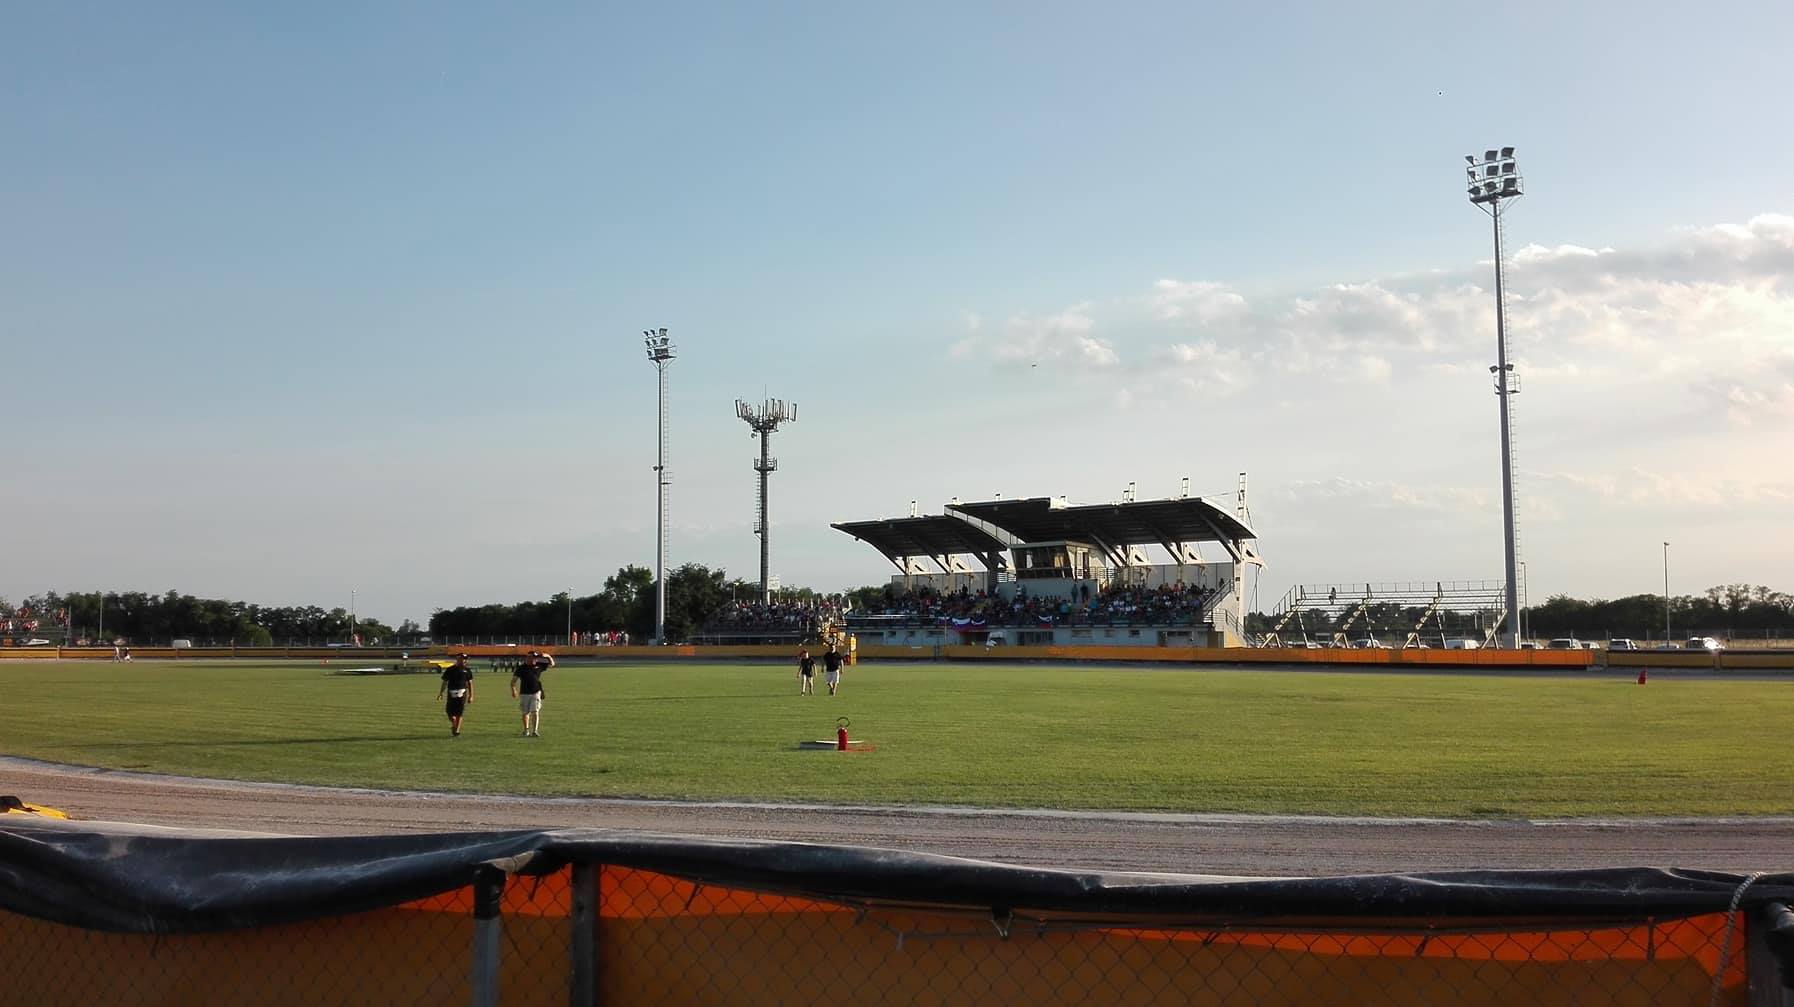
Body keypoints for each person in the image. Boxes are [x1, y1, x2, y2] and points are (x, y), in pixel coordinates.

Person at [510, 650, 554, 737]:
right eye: (529, 657)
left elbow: (552, 664)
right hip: (524, 693)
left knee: (535, 711)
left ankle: (535, 731)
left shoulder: (539, 665)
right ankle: (526, 730)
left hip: (536, 692)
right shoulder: (521, 668)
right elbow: (513, 681)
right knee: (525, 712)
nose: (532, 659)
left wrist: (548, 656)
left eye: (534, 657)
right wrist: (513, 690)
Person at [436, 654, 475, 737]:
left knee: (459, 713)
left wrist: (471, 695)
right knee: (450, 713)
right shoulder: (450, 670)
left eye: (466, 659)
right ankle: (454, 724)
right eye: (463, 659)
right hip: (451, 693)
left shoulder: (467, 670)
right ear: (458, 659)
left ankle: (457, 731)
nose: (465, 661)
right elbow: (445, 682)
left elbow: (470, 683)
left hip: (462, 693)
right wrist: (441, 693)